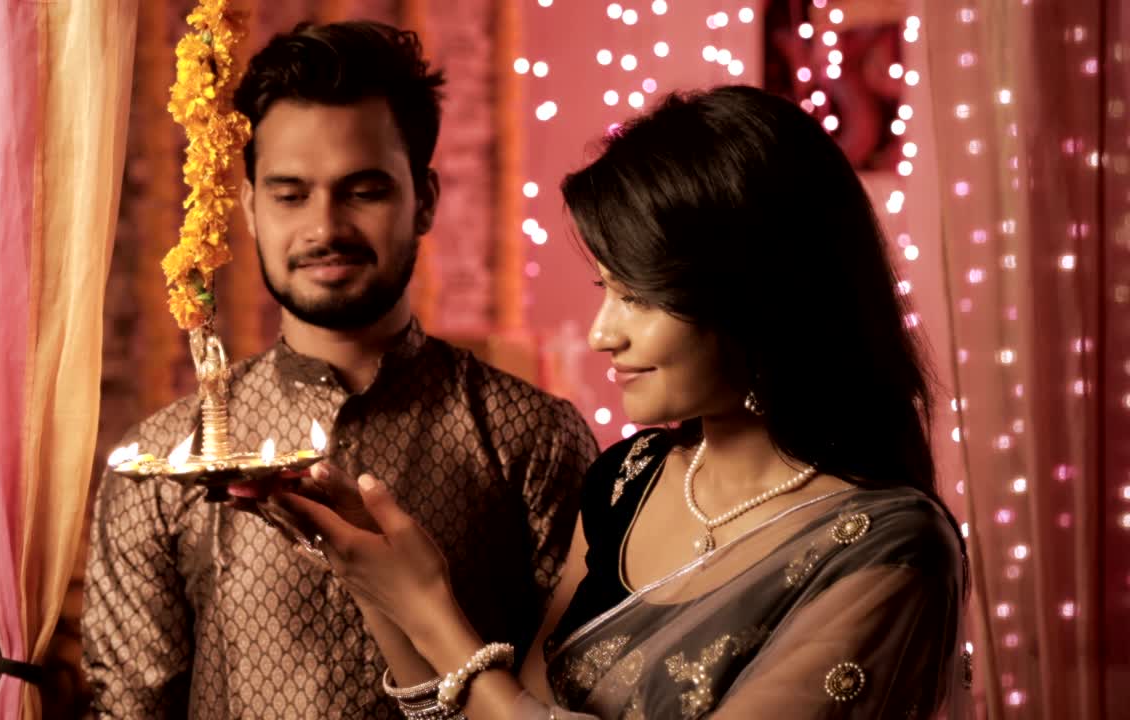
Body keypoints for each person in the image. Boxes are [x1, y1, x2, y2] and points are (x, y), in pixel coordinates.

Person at [279, 86, 972, 718]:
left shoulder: (889, 547)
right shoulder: (627, 480)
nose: (603, 333)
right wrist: (376, 582)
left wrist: (431, 609)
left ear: (757, 298)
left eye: (638, 297)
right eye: (603, 290)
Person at [80, 21, 597, 719]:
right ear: (251, 210)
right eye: (291, 194)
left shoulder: (528, 437)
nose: (325, 227)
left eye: (363, 190)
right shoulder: (168, 469)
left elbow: (576, 685)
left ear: (425, 200)